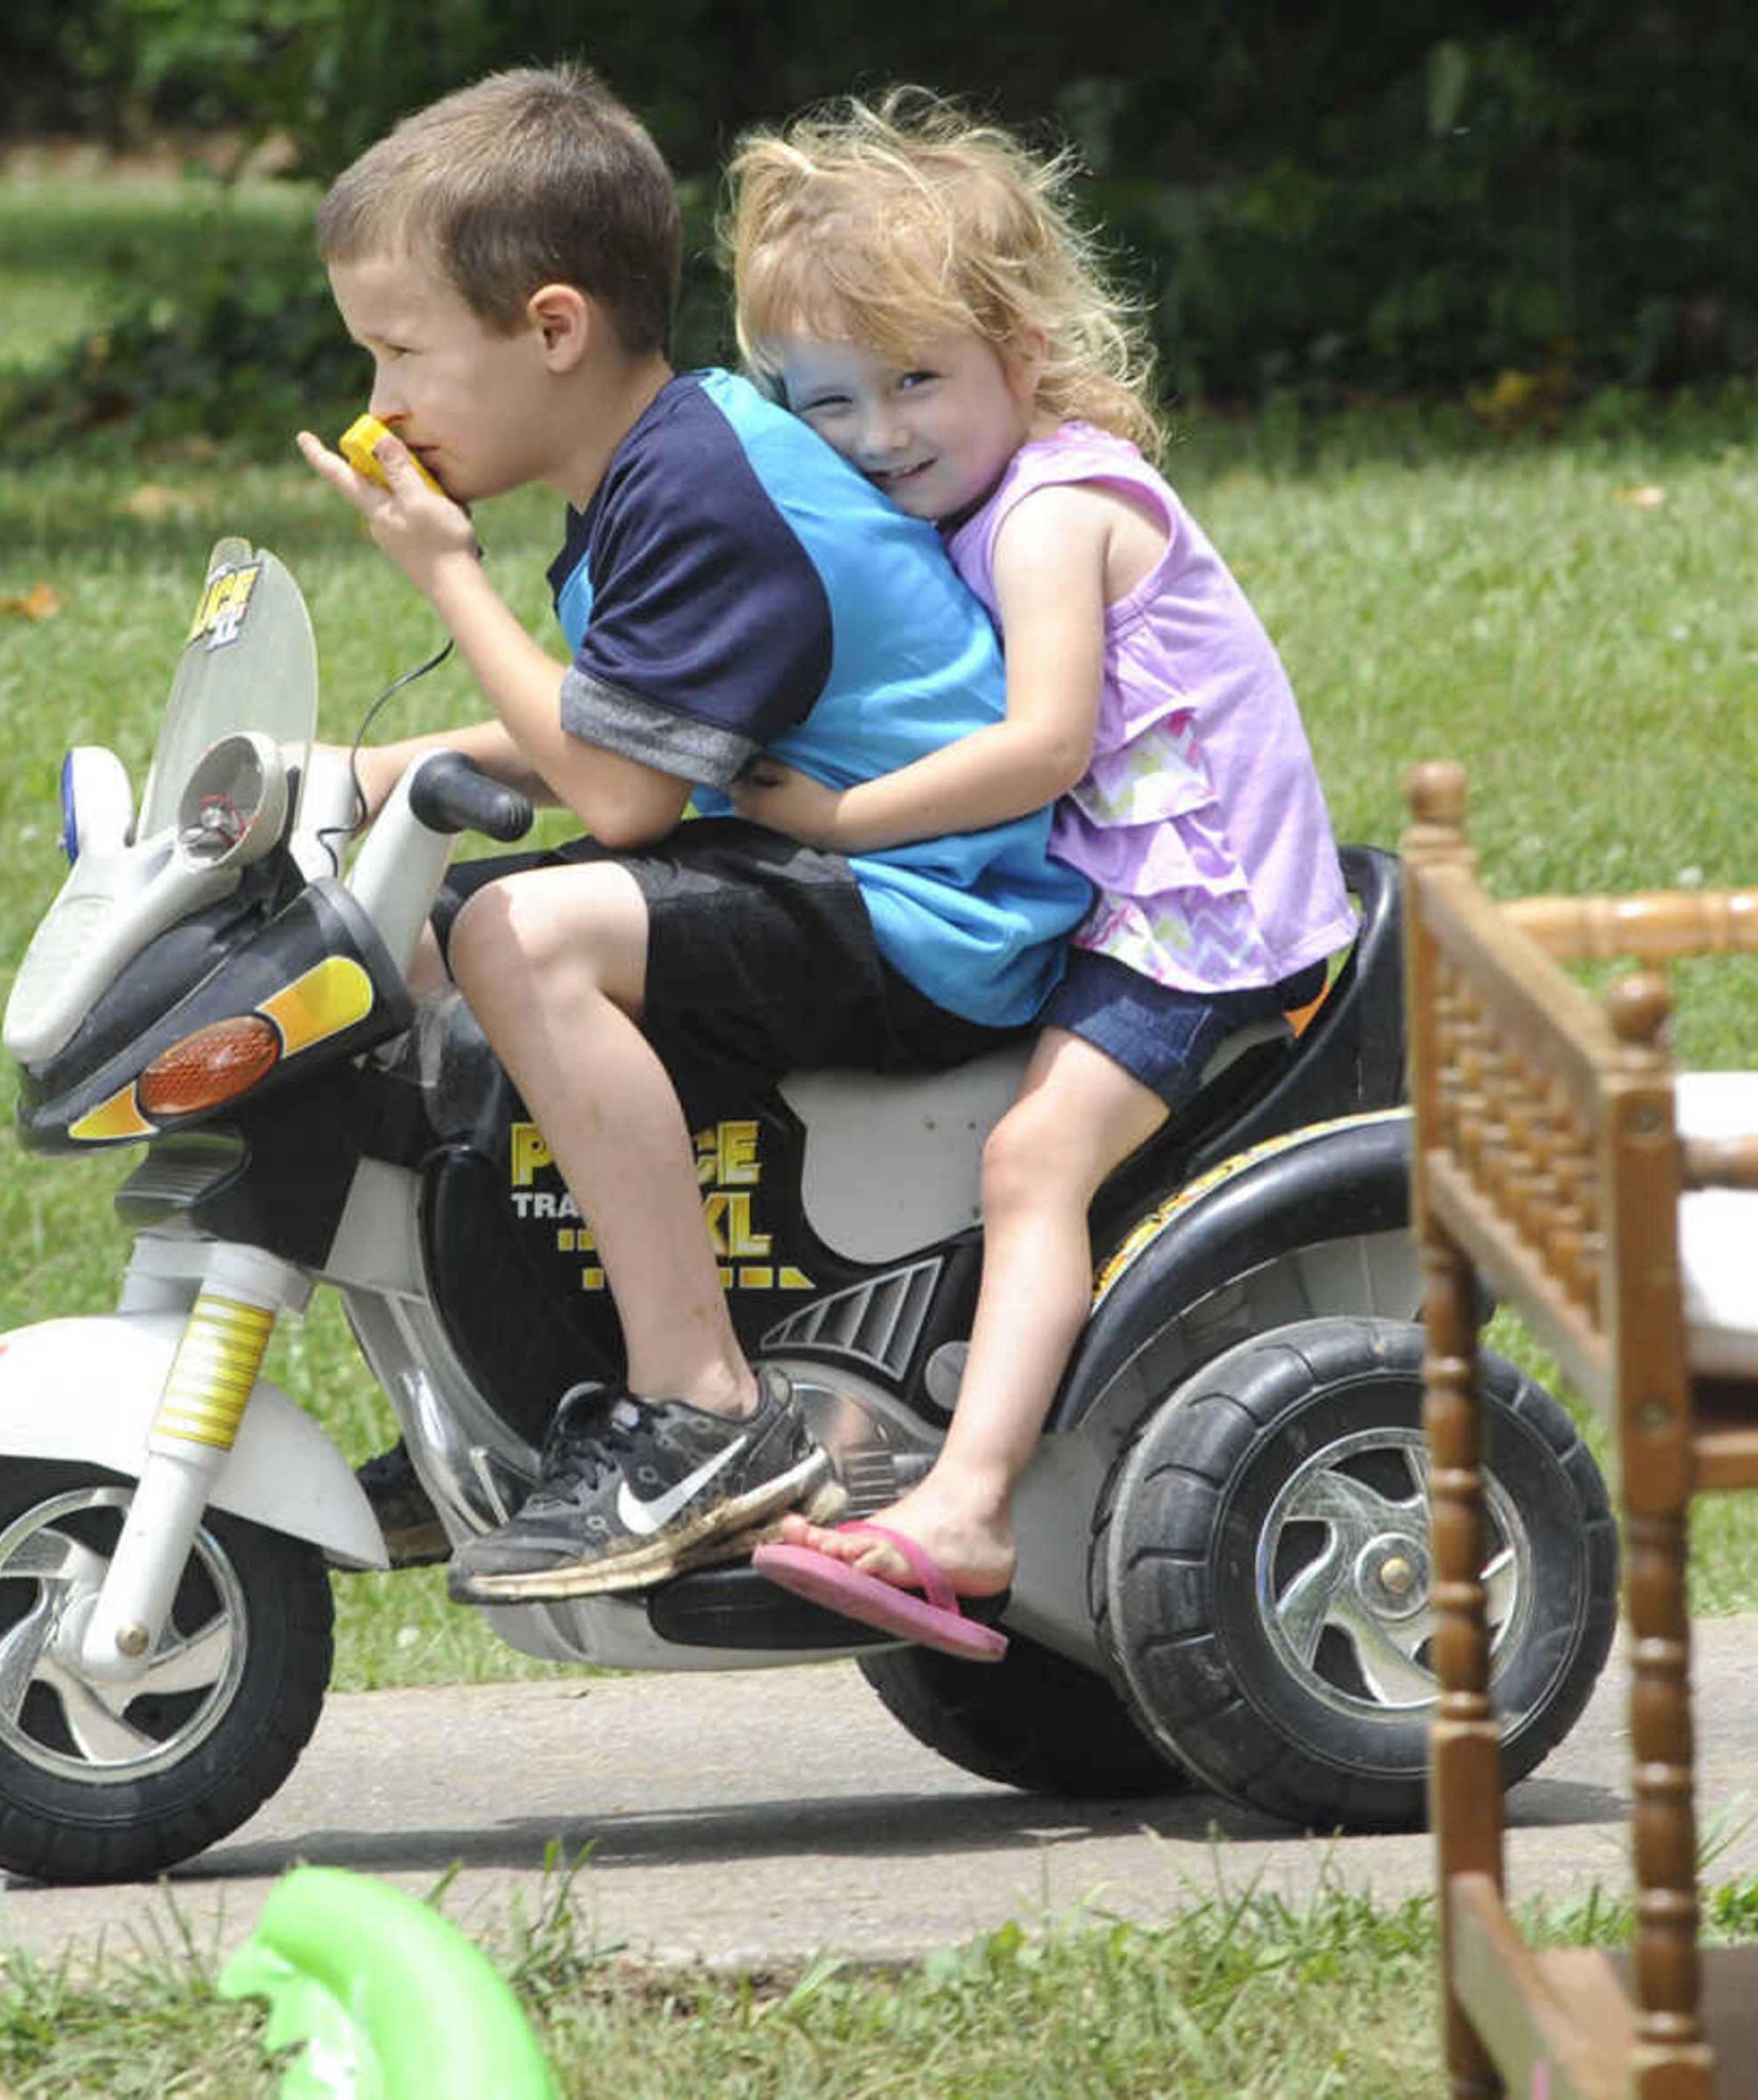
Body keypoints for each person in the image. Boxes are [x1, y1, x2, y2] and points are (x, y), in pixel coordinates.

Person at [293, 65, 1092, 1603]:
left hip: (928, 900)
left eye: (399, 353)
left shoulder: (705, 489)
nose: (378, 404)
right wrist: (380, 769)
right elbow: (621, 726)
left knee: (514, 932)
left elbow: (618, 795)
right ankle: (519, 1395)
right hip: (814, 867)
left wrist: (445, 572)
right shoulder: (658, 464)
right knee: (428, 932)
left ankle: (710, 1410)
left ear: (551, 329)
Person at [721, 90, 1352, 1654]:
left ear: (1021, 342)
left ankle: (971, 1506)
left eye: (916, 379)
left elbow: (1046, 743)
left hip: (1202, 929)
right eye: (824, 404)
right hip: (1121, 906)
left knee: (1028, 1163)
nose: (877, 437)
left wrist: (837, 825)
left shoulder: (1055, 508)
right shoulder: (955, 503)